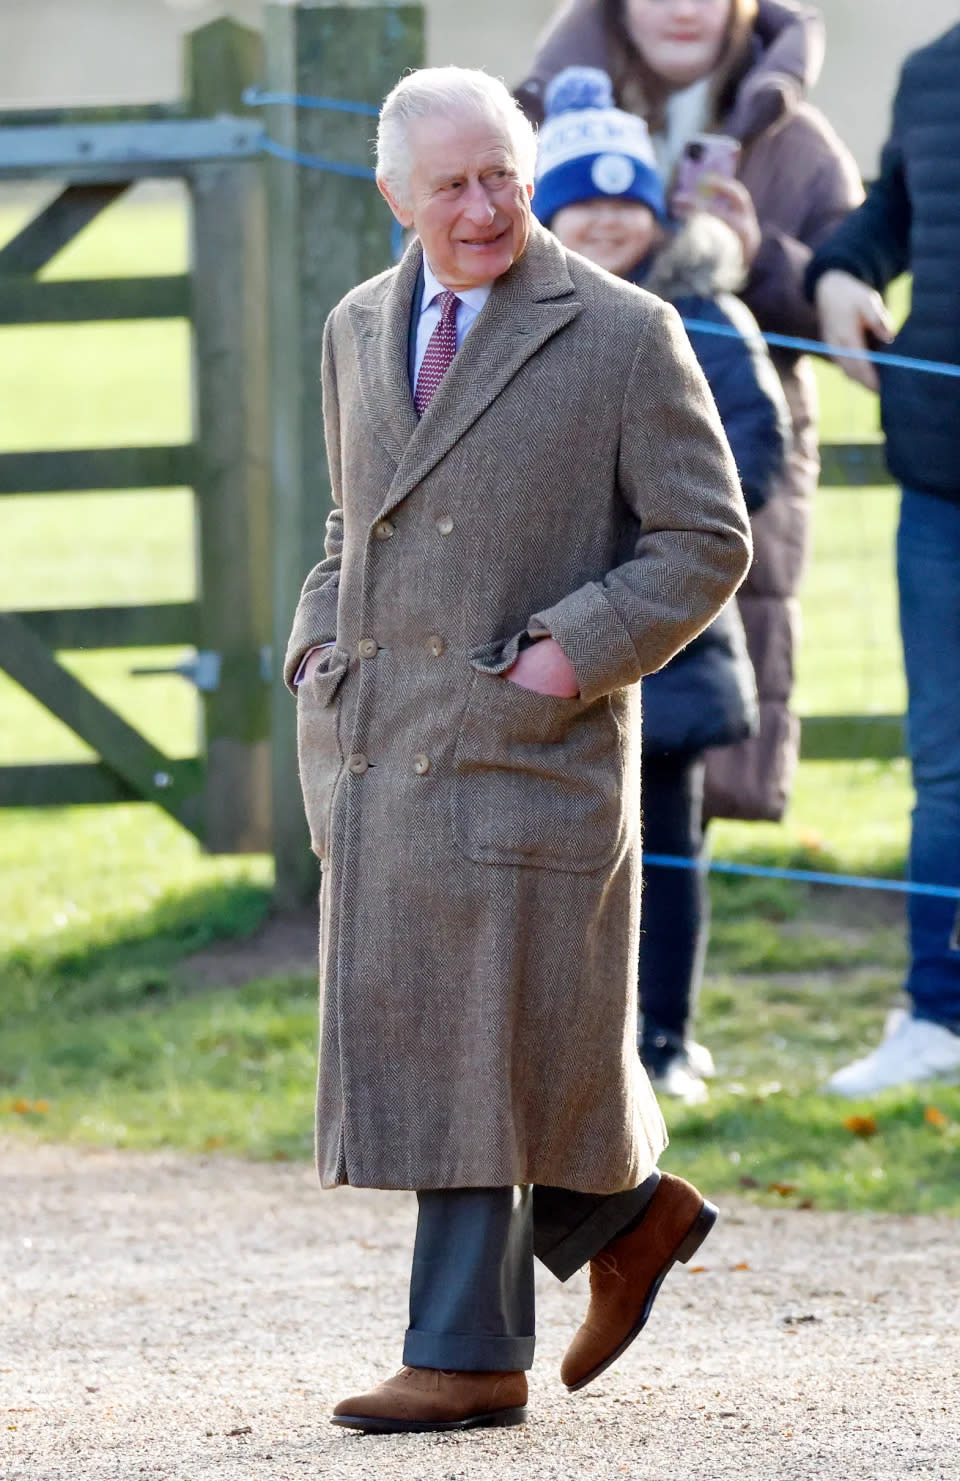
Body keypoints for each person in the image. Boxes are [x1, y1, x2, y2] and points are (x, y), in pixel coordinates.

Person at [285, 66, 752, 1433]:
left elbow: (706, 540)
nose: (485, 207)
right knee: (446, 1033)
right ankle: (627, 1214)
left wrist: (572, 651)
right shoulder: (356, 323)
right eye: (454, 184)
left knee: (477, 1035)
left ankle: (469, 1353)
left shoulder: (621, 332)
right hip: (383, 744)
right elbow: (349, 520)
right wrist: (316, 644)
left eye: (504, 174)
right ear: (396, 194)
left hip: (529, 739)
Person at [517, 0, 862, 840]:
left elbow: (845, 303)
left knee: (684, 719)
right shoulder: (522, 115)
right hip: (547, 503)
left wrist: (758, 259)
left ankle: (663, 938)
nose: (680, 7)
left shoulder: (799, 142)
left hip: (727, 446)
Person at [534, 65, 790, 1103]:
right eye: (578, 203)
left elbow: (753, 456)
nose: (603, 224)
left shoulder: (708, 321)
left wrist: (636, 515)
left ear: (656, 210)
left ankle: (664, 1036)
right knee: (556, 848)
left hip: (671, 632)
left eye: (623, 201)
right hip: (541, 630)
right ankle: (566, 1041)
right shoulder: (516, 321)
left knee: (665, 848)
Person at [806, 24, 960, 1097]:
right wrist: (838, 272)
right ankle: (938, 1014)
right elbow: (900, 214)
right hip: (942, 472)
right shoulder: (933, 71)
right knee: (947, 768)